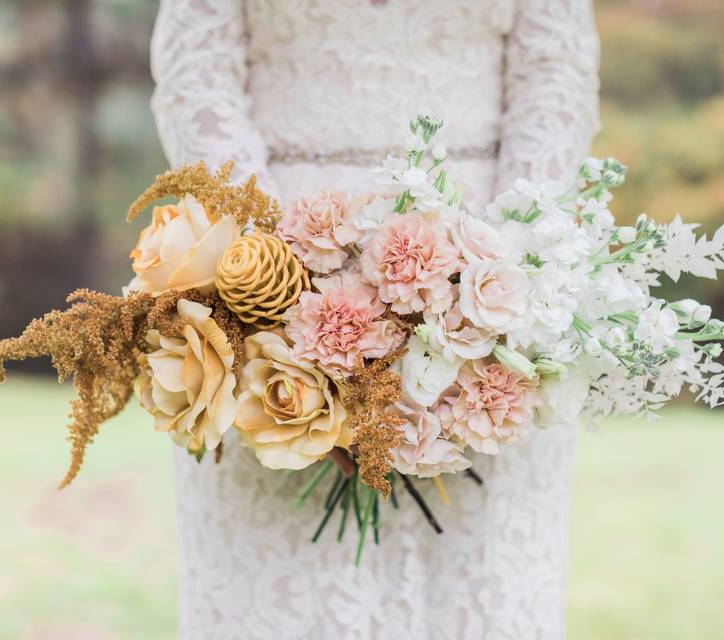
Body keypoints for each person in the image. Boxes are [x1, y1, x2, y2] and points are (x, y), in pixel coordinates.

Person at [150, 1, 599, 638]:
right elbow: (198, 73)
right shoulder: (267, 285)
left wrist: (497, 287)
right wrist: (274, 293)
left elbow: (556, 73)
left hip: (487, 266)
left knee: (480, 592)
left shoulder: (499, 284)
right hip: (271, 259)